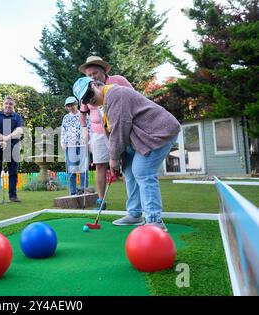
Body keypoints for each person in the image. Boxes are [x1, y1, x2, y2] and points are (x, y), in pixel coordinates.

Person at [73, 77, 181, 231]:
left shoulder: (115, 94)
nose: (90, 100)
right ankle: (135, 214)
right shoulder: (105, 105)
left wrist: (114, 158)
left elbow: (120, 128)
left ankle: (155, 221)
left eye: (90, 94)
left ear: (95, 85)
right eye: (85, 100)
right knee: (129, 171)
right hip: (141, 137)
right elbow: (111, 135)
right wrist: (116, 160)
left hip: (159, 131)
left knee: (142, 171)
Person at [78, 56, 134, 210]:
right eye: (89, 75)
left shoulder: (118, 81)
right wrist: (84, 130)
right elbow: (82, 113)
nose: (92, 77)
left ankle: (134, 203)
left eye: (95, 73)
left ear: (103, 71)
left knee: (128, 165)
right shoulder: (86, 90)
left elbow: (134, 96)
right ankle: (100, 201)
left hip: (121, 129)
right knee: (100, 166)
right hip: (98, 132)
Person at [0, 96, 24, 205]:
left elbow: (19, 130)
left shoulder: (17, 117)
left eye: (10, 104)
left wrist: (6, 138)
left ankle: (13, 196)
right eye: (6, 103)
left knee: (13, 172)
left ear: (13, 106)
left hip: (13, 146)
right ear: (3, 104)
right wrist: (0, 138)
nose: (8, 106)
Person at [61, 96, 89, 195]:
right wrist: (63, 143)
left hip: (82, 145)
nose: (71, 107)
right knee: (71, 170)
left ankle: (83, 190)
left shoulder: (83, 115)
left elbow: (88, 128)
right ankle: (72, 192)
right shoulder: (66, 118)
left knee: (83, 169)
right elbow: (63, 131)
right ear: (66, 107)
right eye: (68, 105)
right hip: (70, 146)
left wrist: (88, 142)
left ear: (76, 104)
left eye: (72, 104)